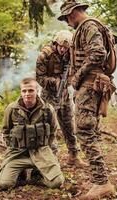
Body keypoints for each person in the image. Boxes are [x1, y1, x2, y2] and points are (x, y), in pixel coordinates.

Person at [58, 0, 116, 199]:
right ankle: (100, 181)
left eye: (66, 17)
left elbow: (98, 53)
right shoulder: (88, 27)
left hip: (90, 84)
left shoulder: (89, 26)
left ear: (73, 12)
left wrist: (77, 76)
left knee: (83, 129)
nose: (67, 22)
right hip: (90, 84)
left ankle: (102, 182)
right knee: (89, 129)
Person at [0, 78, 64, 189]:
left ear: (37, 91)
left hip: (41, 152)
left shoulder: (47, 109)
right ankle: (20, 172)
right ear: (21, 92)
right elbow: (6, 131)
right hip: (18, 154)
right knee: (3, 184)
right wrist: (13, 147)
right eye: (24, 91)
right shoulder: (11, 109)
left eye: (31, 90)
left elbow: (52, 131)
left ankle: (37, 173)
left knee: (57, 183)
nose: (27, 94)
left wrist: (47, 149)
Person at [36, 30, 86, 168]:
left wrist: (69, 81)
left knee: (69, 124)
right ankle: (52, 158)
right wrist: (54, 81)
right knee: (49, 127)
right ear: (55, 43)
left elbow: (77, 71)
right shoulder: (44, 55)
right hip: (49, 95)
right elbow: (39, 78)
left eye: (66, 47)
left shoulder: (71, 55)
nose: (63, 50)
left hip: (64, 94)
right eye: (61, 46)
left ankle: (73, 156)